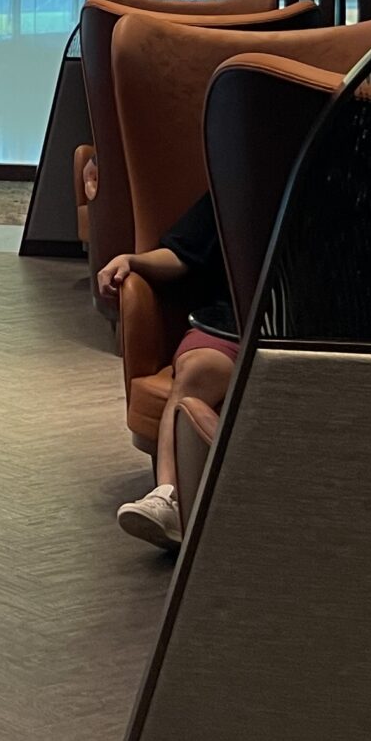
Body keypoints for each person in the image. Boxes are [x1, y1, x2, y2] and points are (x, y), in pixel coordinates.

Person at [97, 191, 237, 551]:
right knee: (195, 371)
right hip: (234, 324)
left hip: (320, 331)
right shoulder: (237, 183)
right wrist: (132, 260)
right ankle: (168, 498)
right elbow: (181, 254)